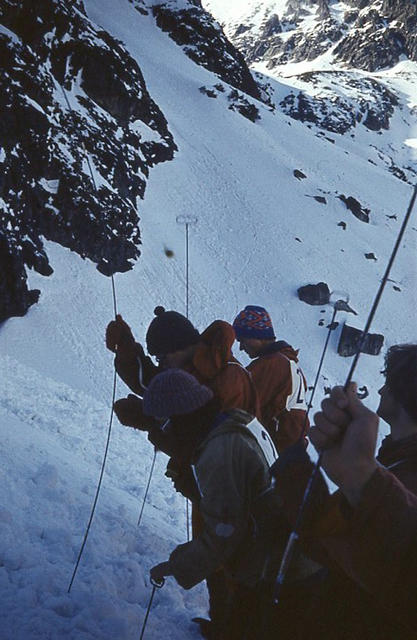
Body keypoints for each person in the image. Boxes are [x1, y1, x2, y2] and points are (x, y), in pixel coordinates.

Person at [105, 306, 259, 636]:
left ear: (179, 348)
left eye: (162, 357)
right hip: (204, 484)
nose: (160, 363)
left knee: (228, 554)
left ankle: (236, 628)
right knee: (216, 551)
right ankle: (223, 624)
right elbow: (158, 389)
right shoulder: (193, 366)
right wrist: (127, 351)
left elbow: (206, 441)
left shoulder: (227, 377)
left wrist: (150, 422)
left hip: (229, 491)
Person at [145, 369, 320, 640]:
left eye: (162, 424)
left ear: (178, 420)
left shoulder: (219, 451)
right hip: (286, 560)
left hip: (278, 574)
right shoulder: (233, 421)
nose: (159, 434)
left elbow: (224, 533)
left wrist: (176, 565)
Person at [272, 343, 417, 637]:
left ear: (404, 392)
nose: (380, 391)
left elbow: (331, 547)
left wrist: (296, 473)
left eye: (388, 383)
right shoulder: (398, 460)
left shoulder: (407, 474)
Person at [233, 305, 308, 452]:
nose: (241, 347)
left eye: (243, 339)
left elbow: (241, 403)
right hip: (290, 452)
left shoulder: (271, 365)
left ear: (258, 336)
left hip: (275, 453)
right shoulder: (290, 363)